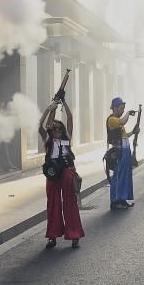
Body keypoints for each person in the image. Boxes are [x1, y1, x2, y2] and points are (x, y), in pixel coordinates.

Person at [39, 98, 84, 248]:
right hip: (52, 172)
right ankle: (52, 236)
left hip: (67, 171)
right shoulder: (48, 139)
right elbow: (40, 125)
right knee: (53, 203)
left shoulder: (67, 138)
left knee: (70, 202)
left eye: (60, 128)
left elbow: (70, 118)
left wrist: (63, 102)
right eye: (55, 128)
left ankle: (74, 235)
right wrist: (49, 108)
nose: (57, 131)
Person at [107, 97, 136, 210]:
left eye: (124, 109)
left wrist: (133, 132)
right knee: (119, 176)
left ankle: (122, 199)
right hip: (119, 152)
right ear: (114, 107)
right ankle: (115, 200)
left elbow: (124, 136)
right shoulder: (112, 120)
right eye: (121, 108)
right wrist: (129, 113)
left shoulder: (118, 121)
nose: (123, 111)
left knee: (124, 176)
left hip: (124, 150)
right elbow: (123, 120)